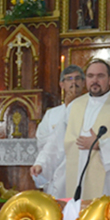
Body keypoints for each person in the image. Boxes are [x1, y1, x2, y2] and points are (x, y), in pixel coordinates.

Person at [31, 60, 110, 200]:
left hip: (106, 183)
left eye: (100, 76)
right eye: (91, 76)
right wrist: (42, 164)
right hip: (74, 179)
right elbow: (56, 142)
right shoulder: (75, 106)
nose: (95, 80)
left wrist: (101, 145)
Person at [31, 65, 83, 195]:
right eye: (69, 79)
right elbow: (45, 143)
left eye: (78, 78)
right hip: (56, 170)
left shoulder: (90, 109)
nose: (74, 82)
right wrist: (42, 164)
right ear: (62, 84)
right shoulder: (51, 114)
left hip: (80, 169)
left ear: (83, 83)